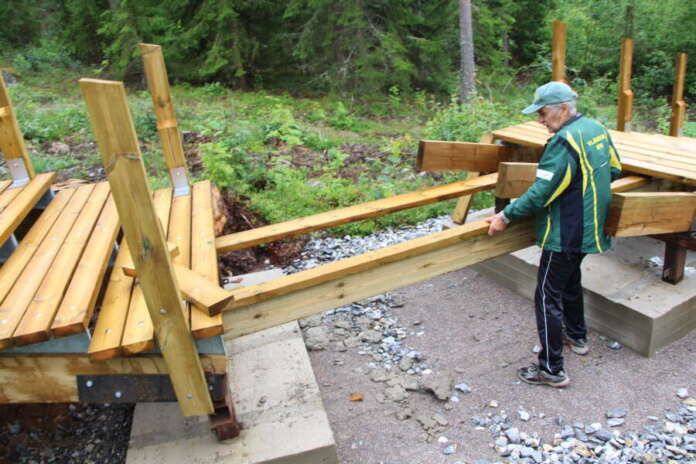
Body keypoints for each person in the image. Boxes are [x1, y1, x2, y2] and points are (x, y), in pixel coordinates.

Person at [486, 81, 622, 388]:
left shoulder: (562, 143)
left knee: (547, 295)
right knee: (570, 279)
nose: (540, 120)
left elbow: (541, 192)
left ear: (562, 109)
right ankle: (577, 336)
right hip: (590, 230)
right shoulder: (596, 129)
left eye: (543, 113)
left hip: (565, 233)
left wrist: (506, 216)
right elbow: (614, 169)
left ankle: (551, 369)